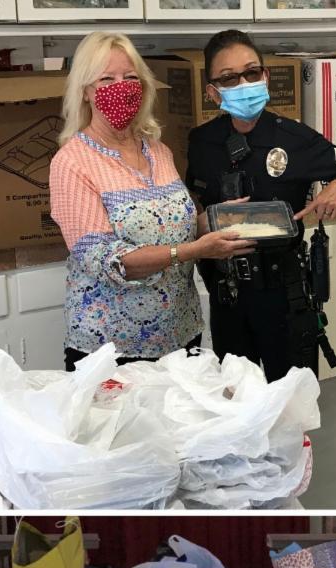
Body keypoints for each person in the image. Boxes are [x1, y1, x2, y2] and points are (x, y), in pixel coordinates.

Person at [49, 31, 253, 372]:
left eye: (130, 78)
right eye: (107, 79)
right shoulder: (72, 162)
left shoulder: (158, 151)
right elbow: (106, 260)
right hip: (111, 350)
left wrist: (218, 220)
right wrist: (193, 251)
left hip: (181, 335)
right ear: (85, 90)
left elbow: (179, 226)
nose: (121, 87)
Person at [186, 29, 336, 381]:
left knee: (293, 399)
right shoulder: (202, 142)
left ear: (265, 77)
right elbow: (193, 205)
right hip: (228, 294)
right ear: (213, 92)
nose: (244, 83)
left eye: (251, 72)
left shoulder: (295, 139)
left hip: (283, 294)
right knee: (235, 396)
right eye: (229, 78)